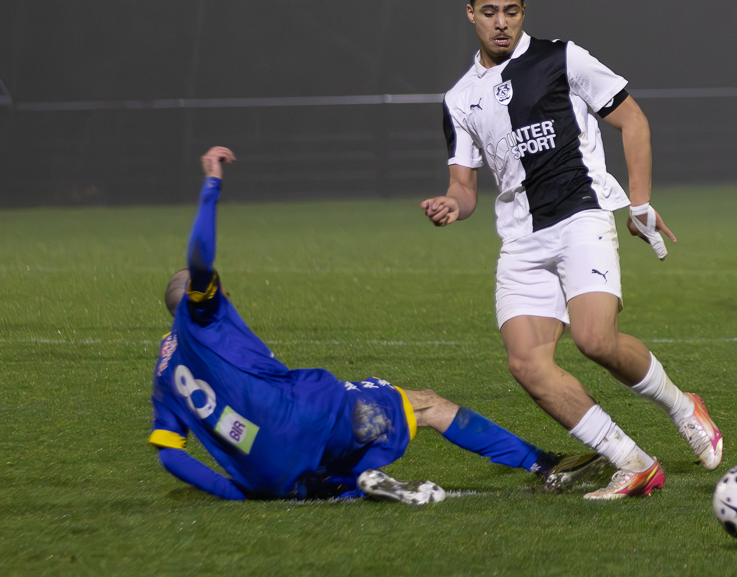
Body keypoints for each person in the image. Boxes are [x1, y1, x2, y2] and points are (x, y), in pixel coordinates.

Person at [148, 146, 608, 505]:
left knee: (332, 467)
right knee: (423, 404)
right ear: (198, 297)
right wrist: (211, 184)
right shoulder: (201, 311)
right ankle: (544, 464)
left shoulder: (165, 374)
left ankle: (364, 476)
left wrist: (235, 489)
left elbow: (169, 452)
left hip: (264, 472)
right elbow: (199, 258)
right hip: (302, 415)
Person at [420, 0, 723, 501]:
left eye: (511, 11)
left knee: (594, 340)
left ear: (522, 12)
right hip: (521, 240)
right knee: (527, 365)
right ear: (471, 14)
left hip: (580, 217)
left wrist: (641, 201)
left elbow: (634, 121)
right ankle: (633, 462)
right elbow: (465, 187)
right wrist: (452, 203)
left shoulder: (562, 58)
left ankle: (682, 406)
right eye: (489, 11)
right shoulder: (459, 98)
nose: (500, 23)